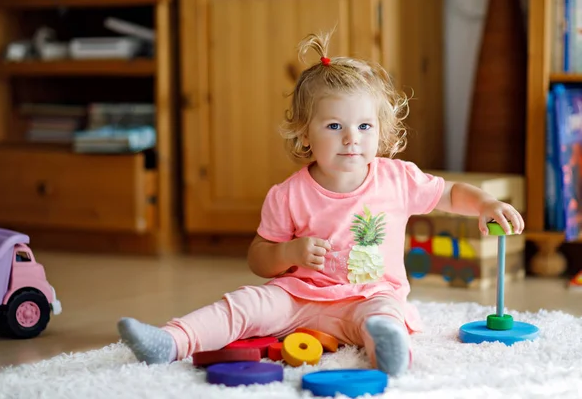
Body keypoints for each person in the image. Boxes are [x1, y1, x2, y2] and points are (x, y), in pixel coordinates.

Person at [117, 30, 524, 377]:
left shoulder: (396, 179)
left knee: (384, 318)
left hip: (370, 294)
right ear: (305, 134)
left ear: (380, 133)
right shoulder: (288, 194)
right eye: (335, 126)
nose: (352, 138)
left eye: (364, 126)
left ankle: (391, 352)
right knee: (246, 302)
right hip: (298, 298)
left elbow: (450, 193)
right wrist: (288, 253)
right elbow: (259, 259)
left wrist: (485, 202)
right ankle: (171, 340)